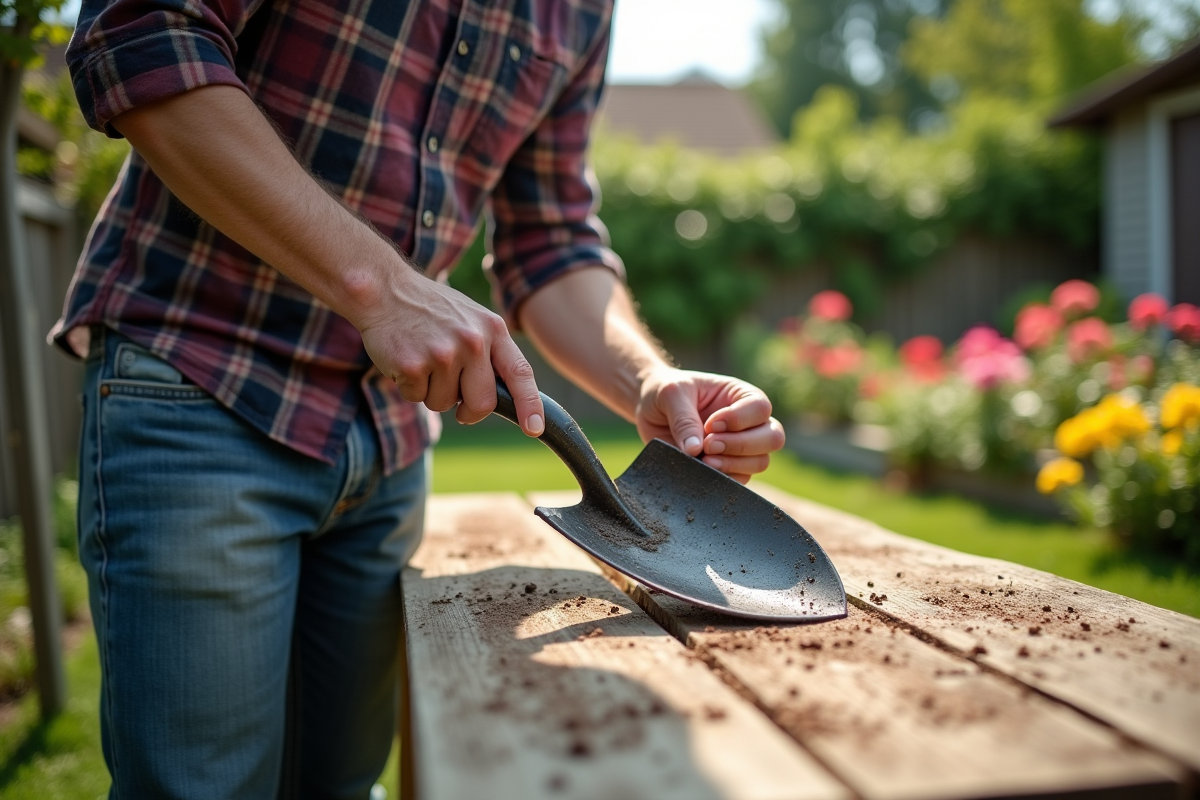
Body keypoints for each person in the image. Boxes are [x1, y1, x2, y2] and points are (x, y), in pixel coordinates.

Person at [51, 0, 786, 796]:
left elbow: (551, 238)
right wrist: (382, 287)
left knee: (341, 783)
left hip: (387, 438)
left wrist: (645, 377)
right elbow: (144, 36)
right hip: (204, 387)